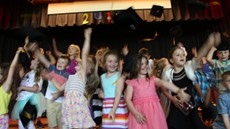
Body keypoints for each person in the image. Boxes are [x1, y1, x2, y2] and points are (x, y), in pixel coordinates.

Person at [162, 32, 221, 129]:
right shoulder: (168, 72)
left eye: (182, 55)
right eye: (177, 55)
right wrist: (172, 98)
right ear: (171, 60)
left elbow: (199, 57)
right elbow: (163, 89)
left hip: (190, 106)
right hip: (177, 107)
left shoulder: (189, 67)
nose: (182, 56)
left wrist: (209, 43)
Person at [125, 54, 190, 129]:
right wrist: (136, 113)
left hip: (154, 114)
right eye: (142, 64)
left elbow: (164, 83)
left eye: (146, 63)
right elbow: (128, 99)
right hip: (139, 113)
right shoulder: (132, 82)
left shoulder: (152, 79)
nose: (145, 66)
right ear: (135, 67)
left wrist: (178, 90)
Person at [51, 28, 99, 129]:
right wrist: (51, 78)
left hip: (76, 104)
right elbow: (60, 88)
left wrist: (87, 38)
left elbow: (85, 54)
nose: (79, 62)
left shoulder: (81, 75)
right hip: (67, 104)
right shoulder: (70, 77)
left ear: (87, 70)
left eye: (81, 63)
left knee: (78, 125)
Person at [28, 43, 70, 129]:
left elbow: (66, 88)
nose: (59, 63)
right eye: (58, 61)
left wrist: (58, 94)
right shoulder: (53, 69)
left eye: (63, 62)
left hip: (61, 102)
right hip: (50, 100)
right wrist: (36, 49)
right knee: (51, 121)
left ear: (67, 66)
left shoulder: (67, 75)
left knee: (61, 121)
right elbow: (43, 60)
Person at [11, 57, 45, 129]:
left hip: (29, 100)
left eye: (33, 60)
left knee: (25, 123)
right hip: (23, 99)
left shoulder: (37, 74)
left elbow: (35, 88)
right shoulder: (29, 73)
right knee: (26, 122)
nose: (31, 61)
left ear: (37, 63)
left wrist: (22, 87)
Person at [99, 50, 128, 129]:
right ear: (105, 63)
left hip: (118, 107)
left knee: (119, 126)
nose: (113, 64)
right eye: (110, 61)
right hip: (107, 106)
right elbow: (104, 90)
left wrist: (113, 110)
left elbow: (118, 95)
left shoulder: (119, 76)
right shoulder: (102, 77)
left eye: (115, 62)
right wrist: (101, 94)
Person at [0, 47, 22, 128]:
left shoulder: (4, 88)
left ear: (3, 76)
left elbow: (12, 68)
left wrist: (17, 53)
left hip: (1, 118)